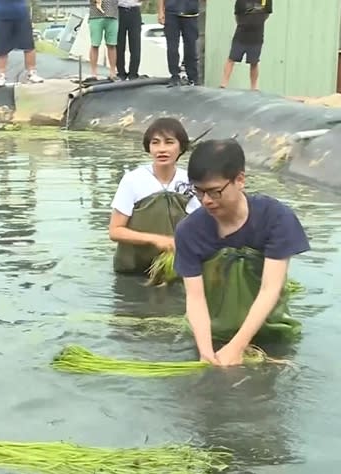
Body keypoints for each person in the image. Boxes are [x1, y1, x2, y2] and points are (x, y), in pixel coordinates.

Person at [174, 139, 309, 367]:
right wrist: (206, 351)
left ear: (240, 180)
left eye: (215, 192)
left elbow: (270, 289)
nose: (206, 201)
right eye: (198, 191)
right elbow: (195, 298)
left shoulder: (275, 218)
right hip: (212, 332)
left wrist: (237, 347)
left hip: (270, 332)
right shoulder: (189, 230)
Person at [109, 117, 200, 274]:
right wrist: (156, 240)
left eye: (169, 142)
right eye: (155, 142)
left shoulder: (189, 181)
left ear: (181, 147)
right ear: (148, 147)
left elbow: (198, 225)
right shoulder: (133, 180)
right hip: (132, 270)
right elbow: (115, 231)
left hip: (173, 268)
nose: (161, 149)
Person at [0, 0, 46, 87]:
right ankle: (1, 77)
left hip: (21, 14)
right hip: (0, 15)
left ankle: (32, 73)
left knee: (28, 45)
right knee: (1, 49)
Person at [220, 0, 273, 90]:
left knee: (254, 62)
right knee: (231, 59)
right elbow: (237, 15)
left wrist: (257, 22)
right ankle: (223, 84)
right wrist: (245, 23)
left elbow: (267, 14)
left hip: (257, 36)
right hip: (241, 34)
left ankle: (254, 87)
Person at [158, 0, 200, 87]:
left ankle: (192, 77)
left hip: (190, 13)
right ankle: (174, 76)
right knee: (172, 46)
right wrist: (161, 11)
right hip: (172, 12)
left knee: (191, 47)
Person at [87, 0, 120, 82]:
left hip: (112, 15)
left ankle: (113, 73)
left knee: (112, 45)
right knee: (95, 44)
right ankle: (93, 74)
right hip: (96, 15)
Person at [116, 0, 143, 81]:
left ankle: (133, 73)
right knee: (119, 44)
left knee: (135, 44)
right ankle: (121, 73)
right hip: (119, 11)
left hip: (134, 10)